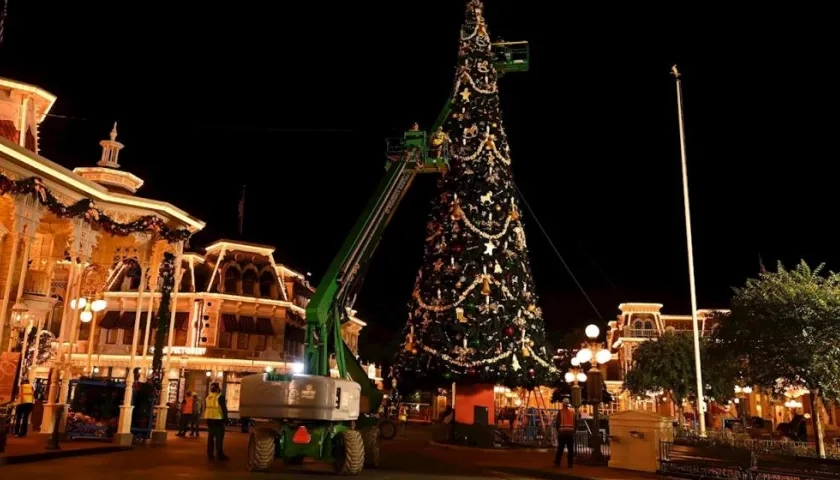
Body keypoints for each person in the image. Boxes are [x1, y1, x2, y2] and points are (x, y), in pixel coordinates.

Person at [203, 383, 229, 461]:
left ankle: (210, 455)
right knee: (219, 439)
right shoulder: (220, 397)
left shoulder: (208, 397)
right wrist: (226, 420)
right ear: (217, 389)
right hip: (218, 420)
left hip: (209, 420)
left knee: (210, 438)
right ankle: (219, 455)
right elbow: (224, 409)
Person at [554, 398, 575, 468]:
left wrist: (558, 431)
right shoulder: (572, 412)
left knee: (560, 448)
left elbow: (557, 423)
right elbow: (576, 423)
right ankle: (570, 463)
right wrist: (573, 431)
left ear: (563, 404)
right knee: (570, 449)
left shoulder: (560, 412)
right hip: (570, 433)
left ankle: (557, 462)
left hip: (562, 433)